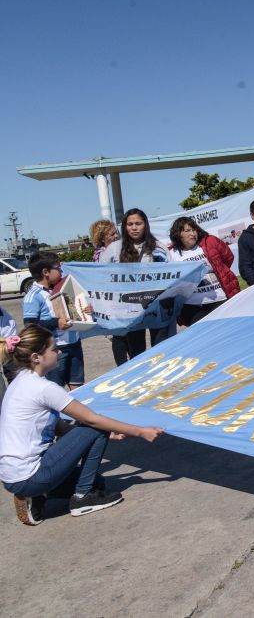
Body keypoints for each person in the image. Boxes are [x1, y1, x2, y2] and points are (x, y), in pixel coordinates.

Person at [0, 325, 164, 526]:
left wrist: (106, 435)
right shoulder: (43, 388)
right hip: (31, 474)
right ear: (36, 357)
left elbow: (59, 428)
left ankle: (37, 495)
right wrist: (140, 431)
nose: (59, 352)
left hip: (12, 477)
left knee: (99, 481)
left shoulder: (20, 382)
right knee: (97, 426)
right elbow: (92, 419)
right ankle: (82, 498)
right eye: (54, 349)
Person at [96, 208, 172, 361]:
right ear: (124, 226)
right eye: (130, 224)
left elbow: (171, 274)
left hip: (156, 307)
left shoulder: (158, 247)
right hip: (129, 309)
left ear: (145, 225)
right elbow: (100, 276)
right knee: (138, 355)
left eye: (138, 223)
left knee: (161, 352)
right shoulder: (114, 248)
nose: (134, 227)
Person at [21, 252, 84, 391]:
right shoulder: (33, 296)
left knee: (79, 388)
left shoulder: (61, 289)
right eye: (58, 268)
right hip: (55, 350)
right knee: (55, 390)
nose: (61, 272)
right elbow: (30, 325)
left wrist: (85, 311)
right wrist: (56, 323)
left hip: (74, 344)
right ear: (46, 272)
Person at [167, 216, 240, 326]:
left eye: (194, 229)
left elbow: (228, 258)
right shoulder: (171, 254)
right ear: (178, 233)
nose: (193, 233)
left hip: (219, 298)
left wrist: (219, 271)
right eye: (187, 231)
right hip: (192, 305)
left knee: (227, 330)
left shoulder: (209, 242)